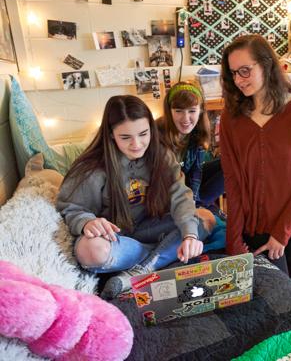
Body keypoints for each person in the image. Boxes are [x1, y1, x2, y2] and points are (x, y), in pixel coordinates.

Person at [56, 95, 214, 299]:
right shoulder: (92, 168)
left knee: (205, 218)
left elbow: (180, 197)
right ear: (111, 135)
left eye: (143, 134)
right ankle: (161, 255)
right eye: (125, 137)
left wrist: (190, 235)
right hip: (117, 238)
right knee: (90, 251)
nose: (137, 144)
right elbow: (70, 206)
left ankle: (141, 271)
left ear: (151, 128)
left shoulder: (162, 155)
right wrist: (86, 222)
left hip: (151, 227)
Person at [220, 34, 291, 281]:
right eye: (233, 73)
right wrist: (233, 239)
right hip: (254, 227)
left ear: (266, 64)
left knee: (290, 291)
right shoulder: (230, 120)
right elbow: (233, 182)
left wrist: (281, 233)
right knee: (271, 297)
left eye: (245, 71)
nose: (239, 80)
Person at [157, 81, 226, 250]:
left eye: (192, 111)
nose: (186, 118)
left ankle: (200, 203)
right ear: (169, 111)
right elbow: (165, 181)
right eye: (178, 111)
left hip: (188, 181)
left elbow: (196, 171)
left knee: (232, 165)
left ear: (200, 110)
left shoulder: (198, 131)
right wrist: (187, 207)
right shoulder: (157, 133)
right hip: (168, 190)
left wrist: (193, 200)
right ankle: (199, 205)